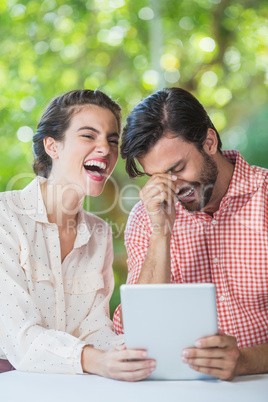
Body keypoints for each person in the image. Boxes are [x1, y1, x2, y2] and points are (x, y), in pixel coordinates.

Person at [113, 87, 268, 381]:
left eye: (178, 168)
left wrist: (246, 361)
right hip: (175, 387)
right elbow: (135, 330)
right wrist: (161, 233)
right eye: (157, 176)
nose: (172, 187)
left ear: (209, 142)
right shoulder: (146, 217)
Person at [0, 89, 156, 381]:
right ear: (52, 146)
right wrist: (98, 361)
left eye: (112, 140)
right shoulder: (5, 217)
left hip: (74, 382)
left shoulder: (99, 233)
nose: (106, 149)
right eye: (88, 136)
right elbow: (20, 337)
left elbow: (95, 329)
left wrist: (135, 353)